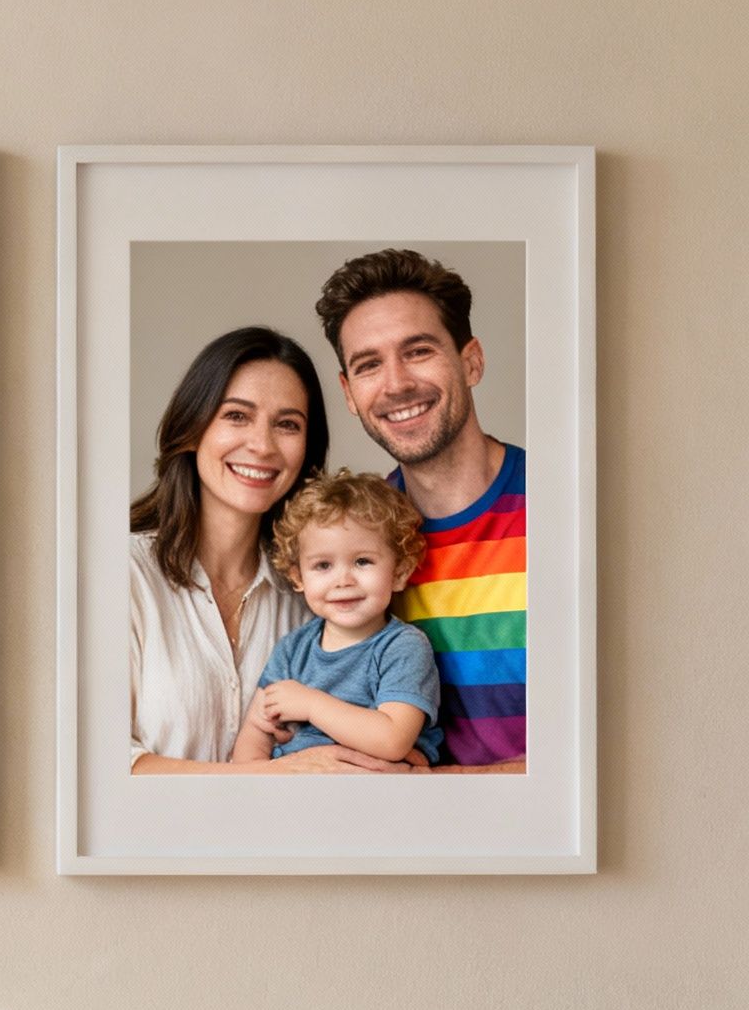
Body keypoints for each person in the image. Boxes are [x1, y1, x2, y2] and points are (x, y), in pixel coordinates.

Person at [128, 327, 416, 774]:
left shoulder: (321, 595)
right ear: (191, 429)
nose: (262, 446)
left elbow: (373, 733)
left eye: (287, 424)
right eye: (237, 416)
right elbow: (97, 766)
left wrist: (397, 770)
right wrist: (272, 776)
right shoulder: (120, 574)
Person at [316, 249, 526, 771]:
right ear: (348, 392)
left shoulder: (563, 509)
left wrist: (455, 785)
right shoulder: (349, 545)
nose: (396, 384)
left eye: (418, 351)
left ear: (471, 361)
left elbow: (617, 736)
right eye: (368, 365)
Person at [231, 470, 442, 765]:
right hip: (291, 792)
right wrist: (257, 783)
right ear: (297, 576)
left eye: (362, 561)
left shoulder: (403, 647)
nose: (343, 580)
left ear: (399, 572)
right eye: (323, 565)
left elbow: (393, 741)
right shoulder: (292, 650)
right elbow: (256, 731)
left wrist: (311, 705)